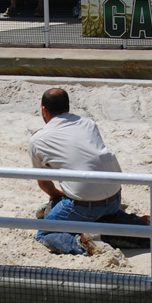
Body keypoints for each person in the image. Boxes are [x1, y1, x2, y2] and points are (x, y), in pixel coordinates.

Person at [29, 88, 123, 256]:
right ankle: (138, 224)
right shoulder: (88, 124)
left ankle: (81, 243)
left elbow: (44, 183)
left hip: (85, 205)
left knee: (45, 233)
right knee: (99, 211)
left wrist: (56, 195)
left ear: (44, 110)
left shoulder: (38, 139)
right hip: (115, 196)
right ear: (68, 107)